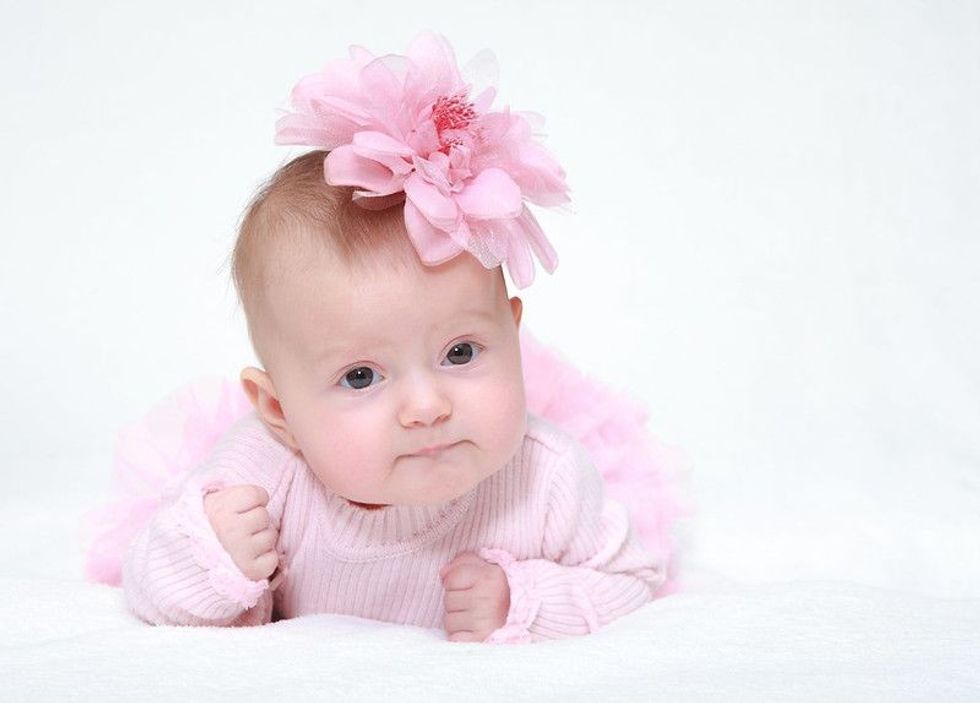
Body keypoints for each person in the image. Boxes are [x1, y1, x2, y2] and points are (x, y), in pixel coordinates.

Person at [118, 32, 669, 644]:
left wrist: (525, 602)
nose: (428, 407)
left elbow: (633, 582)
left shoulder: (547, 478)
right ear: (280, 411)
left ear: (512, 336)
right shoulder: (263, 473)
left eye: (461, 353)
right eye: (361, 376)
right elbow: (145, 587)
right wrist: (211, 558)